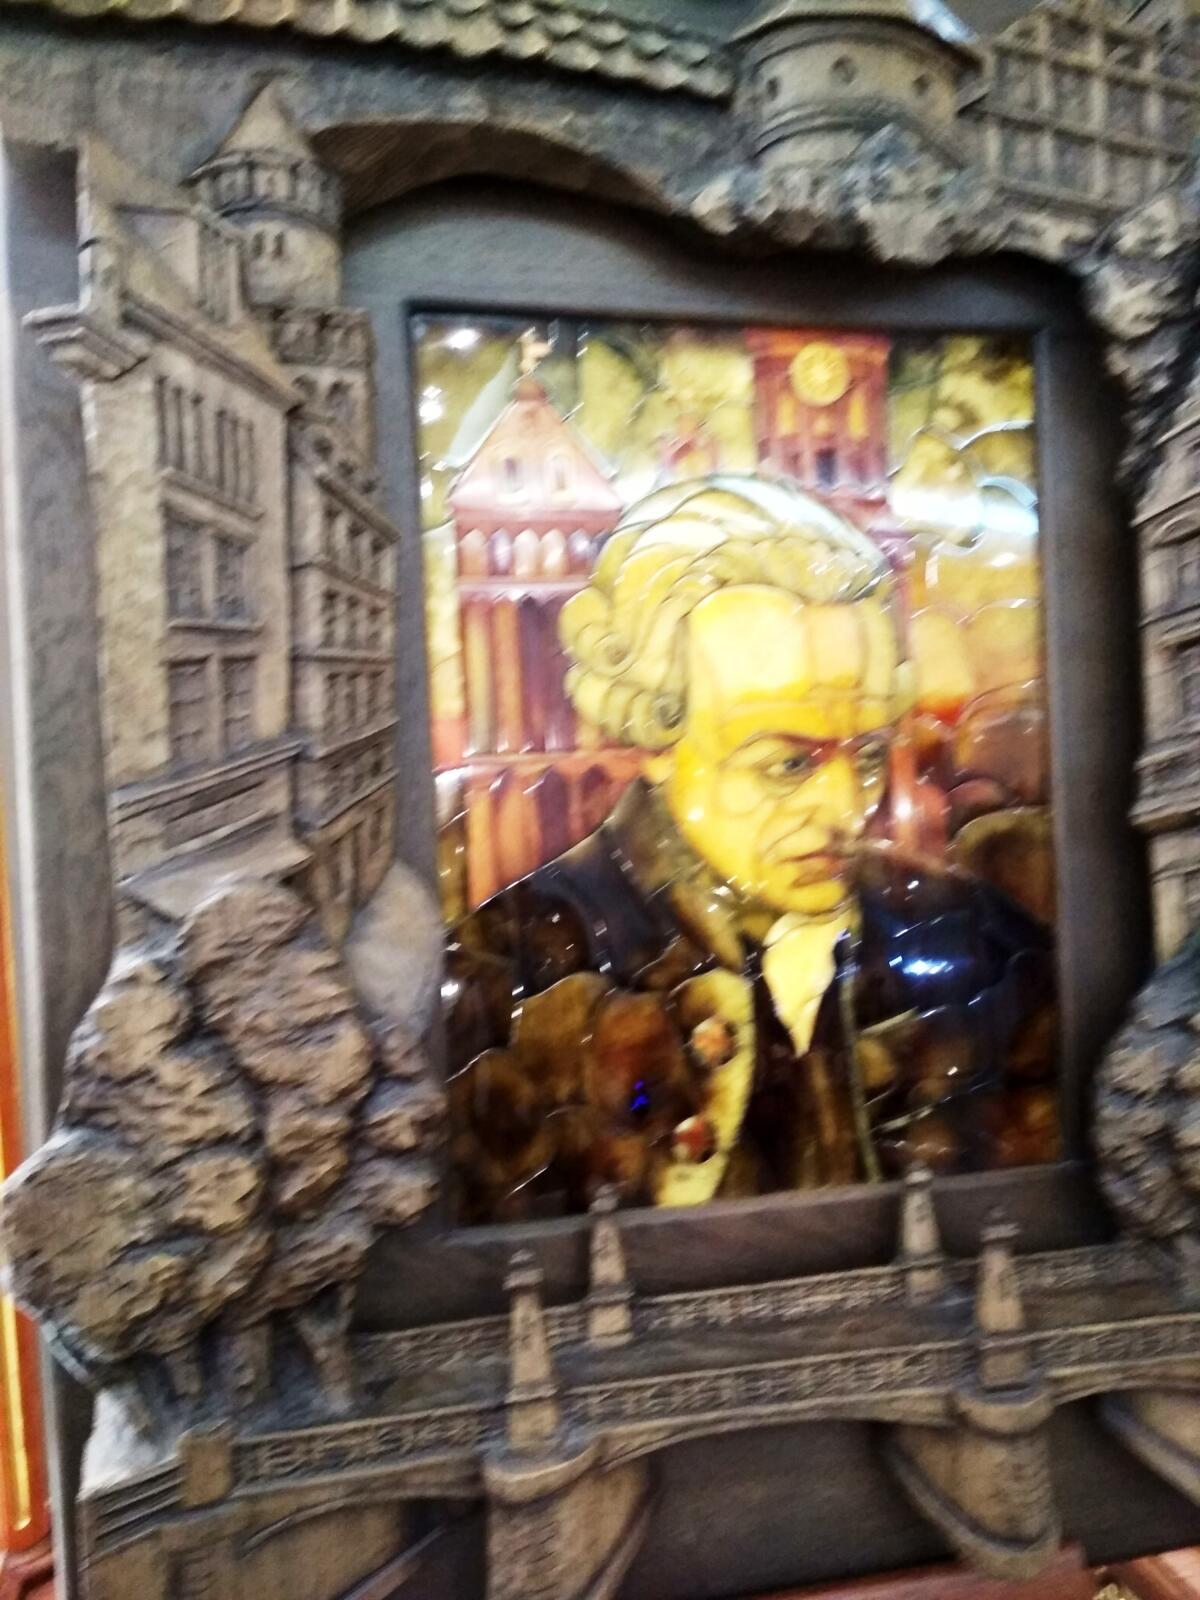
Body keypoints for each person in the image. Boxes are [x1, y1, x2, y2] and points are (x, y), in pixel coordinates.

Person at [443, 476, 1056, 1223]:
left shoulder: (980, 935)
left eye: (866, 756)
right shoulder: (508, 963)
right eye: (788, 762)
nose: (846, 810)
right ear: (655, 739)